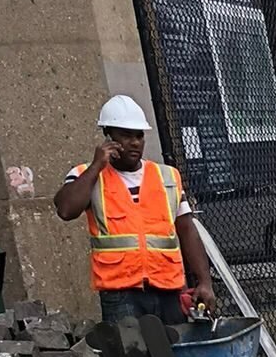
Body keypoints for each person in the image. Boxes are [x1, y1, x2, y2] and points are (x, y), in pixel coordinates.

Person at [54, 95, 216, 323]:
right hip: (121, 293)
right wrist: (96, 166)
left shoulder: (167, 177)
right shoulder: (87, 175)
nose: (135, 142)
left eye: (139, 135)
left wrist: (204, 282)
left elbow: (187, 229)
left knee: (174, 355)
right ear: (108, 137)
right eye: (126, 135)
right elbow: (66, 210)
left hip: (168, 288)